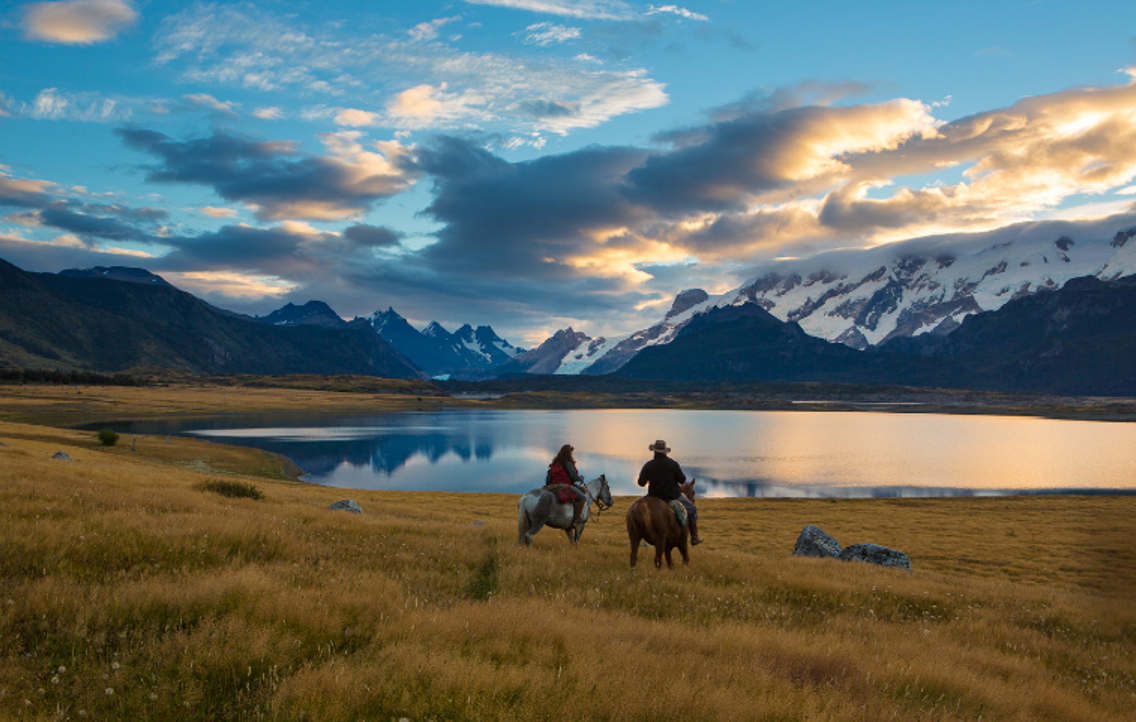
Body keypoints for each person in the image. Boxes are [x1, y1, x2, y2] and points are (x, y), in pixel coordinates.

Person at [637, 439, 703, 545]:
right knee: (692, 510)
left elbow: (641, 483)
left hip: (653, 497)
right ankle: (694, 537)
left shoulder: (649, 465)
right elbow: (682, 479)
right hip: (672, 497)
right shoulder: (672, 464)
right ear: (665, 452)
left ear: (654, 451)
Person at [545, 443, 587, 524]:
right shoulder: (568, 463)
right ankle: (576, 516)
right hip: (565, 486)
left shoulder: (554, 463)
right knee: (583, 498)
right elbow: (574, 477)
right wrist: (581, 478)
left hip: (552, 486)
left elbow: (548, 479)